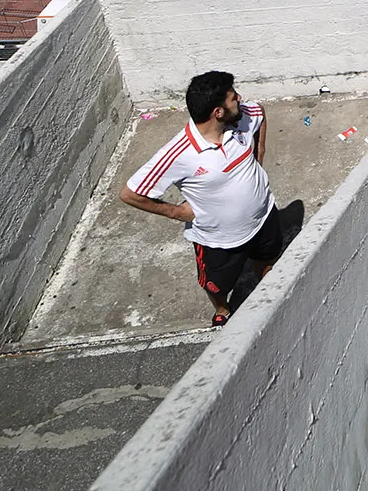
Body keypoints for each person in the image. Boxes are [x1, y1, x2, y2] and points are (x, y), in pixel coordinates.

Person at [119, 71, 285, 327]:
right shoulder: (180, 152)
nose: (239, 99)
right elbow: (131, 193)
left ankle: (270, 289)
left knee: (266, 258)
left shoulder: (242, 118)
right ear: (218, 112)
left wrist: (258, 157)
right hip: (219, 240)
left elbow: (260, 113)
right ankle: (222, 308)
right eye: (233, 98)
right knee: (217, 284)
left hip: (264, 218)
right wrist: (176, 212)